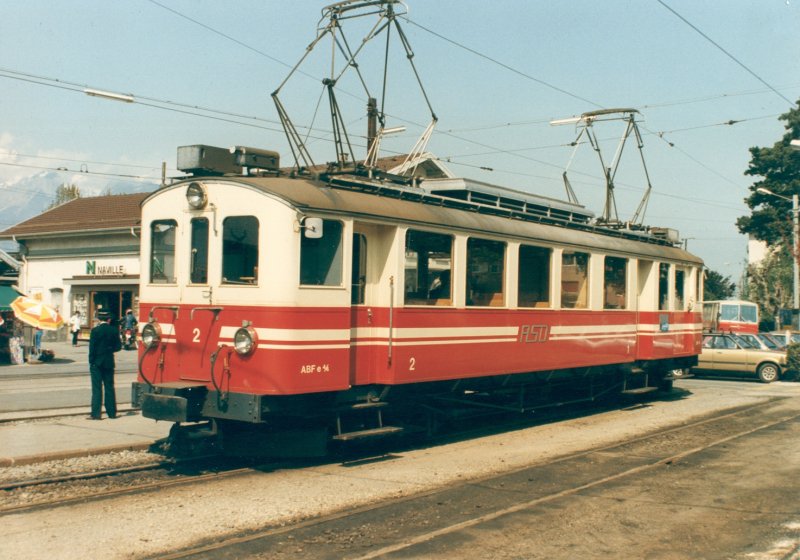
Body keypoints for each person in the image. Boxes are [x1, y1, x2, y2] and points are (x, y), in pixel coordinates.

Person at [88, 311, 122, 420]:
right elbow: (118, 347)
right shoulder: (114, 330)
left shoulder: (95, 331)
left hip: (97, 362)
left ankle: (96, 414)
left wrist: (91, 361)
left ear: (99, 319)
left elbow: (92, 348)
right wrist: (109, 349)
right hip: (108, 362)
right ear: (109, 319)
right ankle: (112, 413)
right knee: (109, 387)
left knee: (97, 388)